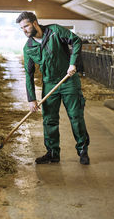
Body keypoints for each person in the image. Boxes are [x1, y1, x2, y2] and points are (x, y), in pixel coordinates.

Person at [16, 11, 90, 165]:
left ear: (35, 23)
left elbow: (76, 40)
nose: (24, 30)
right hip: (49, 83)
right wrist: (31, 99)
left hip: (68, 79)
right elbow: (28, 75)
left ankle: (83, 150)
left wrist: (73, 63)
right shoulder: (28, 48)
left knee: (76, 117)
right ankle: (52, 153)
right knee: (49, 120)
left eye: (26, 26)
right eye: (21, 28)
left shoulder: (55, 31)